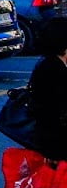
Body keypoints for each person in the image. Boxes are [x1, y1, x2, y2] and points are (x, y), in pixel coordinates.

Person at [27, 19, 67, 161]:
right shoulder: (54, 70)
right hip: (55, 143)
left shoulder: (48, 64)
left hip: (49, 139)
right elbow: (53, 110)